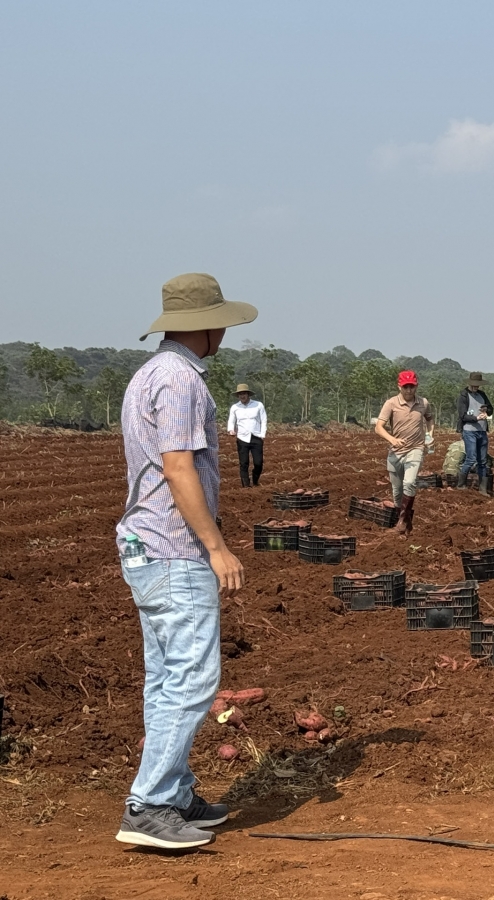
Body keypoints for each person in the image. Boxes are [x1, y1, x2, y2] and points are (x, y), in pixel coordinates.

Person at [115, 272, 257, 849]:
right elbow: (179, 468)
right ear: (206, 325)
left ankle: (171, 794)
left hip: (145, 545)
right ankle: (148, 804)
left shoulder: (150, 373)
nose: (223, 329)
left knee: (167, 675)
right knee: (196, 676)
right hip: (174, 548)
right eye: (219, 320)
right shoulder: (180, 381)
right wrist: (217, 547)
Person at [375, 370, 434, 534]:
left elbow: (429, 419)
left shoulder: (423, 403)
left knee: (409, 482)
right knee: (397, 491)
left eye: (412, 387)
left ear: (417, 386)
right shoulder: (391, 403)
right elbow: (378, 427)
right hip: (396, 452)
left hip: (415, 449)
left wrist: (429, 435)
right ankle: (406, 522)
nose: (409, 390)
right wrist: (392, 440)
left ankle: (401, 522)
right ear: (399, 386)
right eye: (405, 387)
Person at [456, 371, 494, 495]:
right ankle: (461, 485)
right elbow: (462, 415)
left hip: (482, 431)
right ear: (470, 384)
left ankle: (483, 489)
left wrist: (486, 411)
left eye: (478, 386)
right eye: (474, 385)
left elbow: (491, 409)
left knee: (482, 461)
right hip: (469, 431)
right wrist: (476, 418)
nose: (476, 388)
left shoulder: (482, 395)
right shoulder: (463, 396)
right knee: (471, 458)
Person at [227, 384, 267, 487]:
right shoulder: (235, 407)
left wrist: (262, 434)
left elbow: (263, 420)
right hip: (242, 438)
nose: (242, 396)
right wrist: (231, 429)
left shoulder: (258, 405)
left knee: (258, 463)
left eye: (244, 393)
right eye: (240, 394)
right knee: (243, 463)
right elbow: (231, 420)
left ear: (248, 394)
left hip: (256, 437)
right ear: (238, 396)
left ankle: (255, 480)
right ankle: (246, 486)